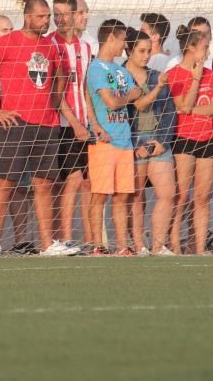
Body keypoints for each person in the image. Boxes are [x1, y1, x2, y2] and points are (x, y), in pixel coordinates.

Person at [0, 0, 75, 257]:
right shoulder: (7, 42)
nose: (46, 21)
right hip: (16, 123)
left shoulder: (49, 46)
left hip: (46, 124)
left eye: (48, 16)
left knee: (43, 185)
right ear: (28, 17)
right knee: (4, 183)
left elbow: (61, 74)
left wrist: (54, 101)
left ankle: (47, 243)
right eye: (41, 16)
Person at [86, 20, 142, 255]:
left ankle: (122, 246)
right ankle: (97, 245)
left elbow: (138, 93)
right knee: (100, 195)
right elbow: (111, 101)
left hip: (125, 141)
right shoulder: (96, 68)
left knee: (122, 197)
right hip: (104, 142)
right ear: (110, 37)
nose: (124, 46)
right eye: (122, 40)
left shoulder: (122, 71)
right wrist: (127, 96)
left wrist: (127, 96)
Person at [167, 25, 213, 254]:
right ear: (190, 48)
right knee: (181, 196)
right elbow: (181, 105)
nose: (208, 52)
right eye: (204, 47)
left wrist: (193, 110)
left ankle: (198, 247)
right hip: (184, 139)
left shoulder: (210, 73)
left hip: (207, 138)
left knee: (202, 197)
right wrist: (196, 79)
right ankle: (174, 243)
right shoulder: (175, 74)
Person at [124, 28, 176, 255]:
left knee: (168, 193)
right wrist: (133, 146)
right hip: (132, 141)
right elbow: (126, 111)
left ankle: (158, 244)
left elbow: (169, 111)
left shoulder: (156, 75)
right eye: (141, 51)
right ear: (129, 50)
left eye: (149, 51)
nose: (146, 56)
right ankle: (138, 244)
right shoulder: (120, 76)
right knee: (136, 195)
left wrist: (162, 140)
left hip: (156, 138)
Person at [50, 0, 93, 247]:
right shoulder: (50, 45)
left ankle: (90, 239)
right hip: (61, 124)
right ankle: (64, 238)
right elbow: (55, 93)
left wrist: (91, 122)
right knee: (70, 179)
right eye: (57, 13)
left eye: (65, 13)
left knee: (86, 182)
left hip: (82, 124)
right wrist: (75, 123)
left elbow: (85, 88)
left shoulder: (85, 47)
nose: (59, 18)